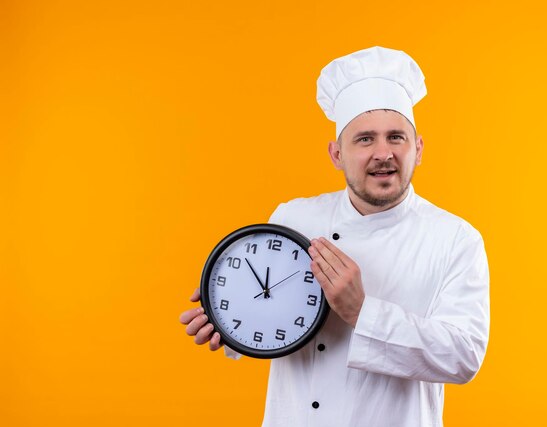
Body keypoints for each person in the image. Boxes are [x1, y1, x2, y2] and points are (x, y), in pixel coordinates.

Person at [180, 46, 490, 427]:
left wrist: (361, 311)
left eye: (396, 137)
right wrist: (227, 318)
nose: (383, 153)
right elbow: (272, 308)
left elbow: (464, 356)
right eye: (364, 139)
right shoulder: (293, 217)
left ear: (419, 149)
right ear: (336, 154)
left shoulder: (455, 239)